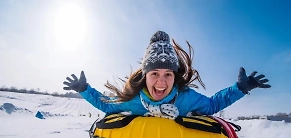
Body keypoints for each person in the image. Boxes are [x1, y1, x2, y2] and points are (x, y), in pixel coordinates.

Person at [63, 31, 271, 119]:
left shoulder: (185, 98)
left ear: (174, 76)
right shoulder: (136, 100)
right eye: (154, 73)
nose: (161, 81)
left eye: (168, 74)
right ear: (145, 76)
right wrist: (84, 90)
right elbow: (108, 105)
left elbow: (213, 105)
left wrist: (241, 89)